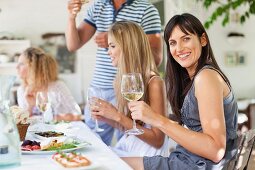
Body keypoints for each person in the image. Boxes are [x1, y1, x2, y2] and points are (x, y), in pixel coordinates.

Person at [122, 13, 238, 169]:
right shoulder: (194, 78)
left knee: (110, 163)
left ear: (203, 40)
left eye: (186, 39)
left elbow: (215, 150)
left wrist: (157, 119)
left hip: (197, 165)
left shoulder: (205, 77)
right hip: (187, 160)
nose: (179, 48)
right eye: (173, 42)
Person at [66, 0, 163, 145]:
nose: (109, 52)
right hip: (101, 86)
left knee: (128, 140)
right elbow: (73, 45)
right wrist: (71, 17)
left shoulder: (146, 9)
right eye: (110, 47)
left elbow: (156, 58)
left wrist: (120, 41)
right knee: (92, 142)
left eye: (112, 47)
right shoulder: (98, 6)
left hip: (129, 87)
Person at [90, 21, 169, 157]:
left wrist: (117, 116)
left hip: (146, 158)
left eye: (112, 46)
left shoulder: (154, 83)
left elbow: (158, 140)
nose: (108, 52)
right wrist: (107, 118)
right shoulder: (123, 81)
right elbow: (132, 128)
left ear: (128, 47)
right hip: (130, 149)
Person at [16, 47, 82, 121]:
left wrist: (52, 118)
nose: (16, 67)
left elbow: (77, 115)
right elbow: (21, 122)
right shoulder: (22, 90)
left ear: (33, 67)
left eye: (21, 64)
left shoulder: (57, 87)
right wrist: (30, 107)